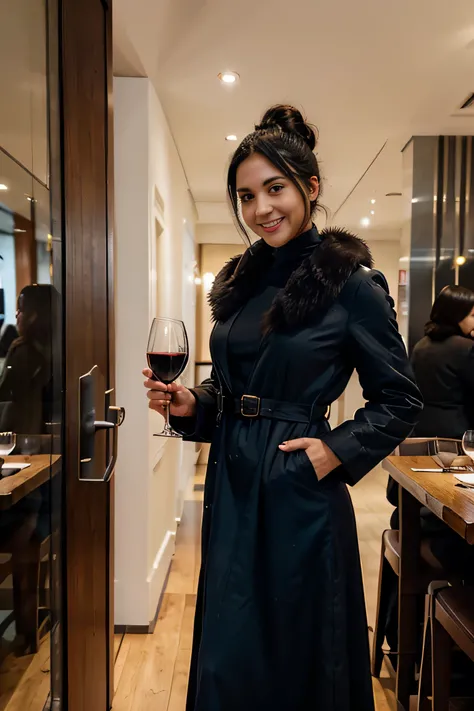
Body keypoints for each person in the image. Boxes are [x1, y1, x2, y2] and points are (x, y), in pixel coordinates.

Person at [144, 105, 422, 711]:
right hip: (232, 478)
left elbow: (400, 398)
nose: (261, 208)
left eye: (276, 188)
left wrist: (335, 450)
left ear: (310, 188)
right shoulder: (241, 283)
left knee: (296, 651)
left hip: (297, 485)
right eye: (246, 196)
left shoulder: (350, 283)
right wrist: (194, 402)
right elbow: (234, 386)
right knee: (230, 648)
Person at [411, 284, 474, 438]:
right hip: (457, 435)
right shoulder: (466, 347)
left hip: (420, 429)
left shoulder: (422, 345)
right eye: (472, 315)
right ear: (456, 315)